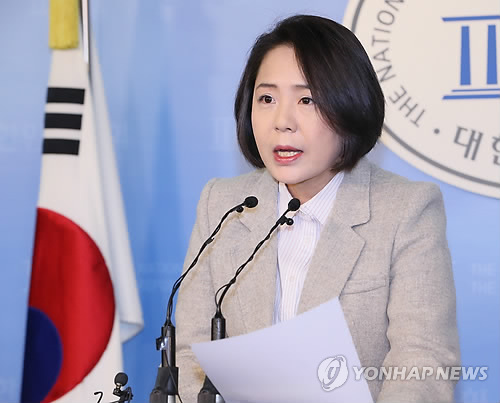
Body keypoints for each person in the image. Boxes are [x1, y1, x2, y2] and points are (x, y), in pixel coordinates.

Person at [175, 14, 460, 402]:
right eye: (267, 99)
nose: (282, 122)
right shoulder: (223, 205)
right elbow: (190, 353)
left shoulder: (405, 211)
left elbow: (423, 364)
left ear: (350, 106)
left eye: (306, 100)